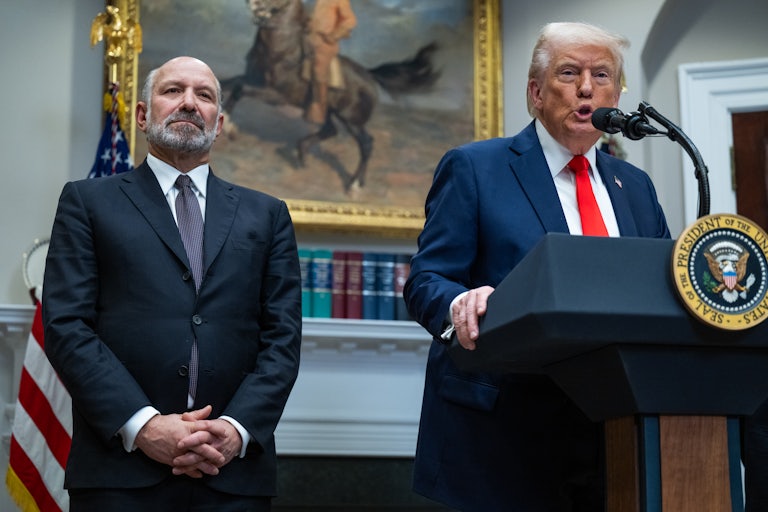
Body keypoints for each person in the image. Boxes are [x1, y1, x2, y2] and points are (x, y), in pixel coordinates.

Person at [404, 22, 670, 511]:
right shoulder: (476, 167)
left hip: (614, 433)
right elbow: (426, 280)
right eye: (569, 73)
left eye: (603, 75)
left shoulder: (635, 186)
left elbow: (658, 290)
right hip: (501, 431)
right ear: (536, 92)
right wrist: (460, 302)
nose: (587, 88)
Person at [42, 56, 302, 511]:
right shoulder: (87, 202)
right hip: (119, 473)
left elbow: (283, 338)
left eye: (204, 95)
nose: (189, 103)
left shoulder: (269, 214)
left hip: (232, 473)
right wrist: (143, 427)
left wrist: (235, 430)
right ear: (143, 115)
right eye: (173, 91)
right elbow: (67, 326)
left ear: (218, 123)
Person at [304, 0, 357, 124]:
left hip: (325, 43)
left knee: (318, 69)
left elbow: (350, 21)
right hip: (307, 39)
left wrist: (333, 36)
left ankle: (319, 109)